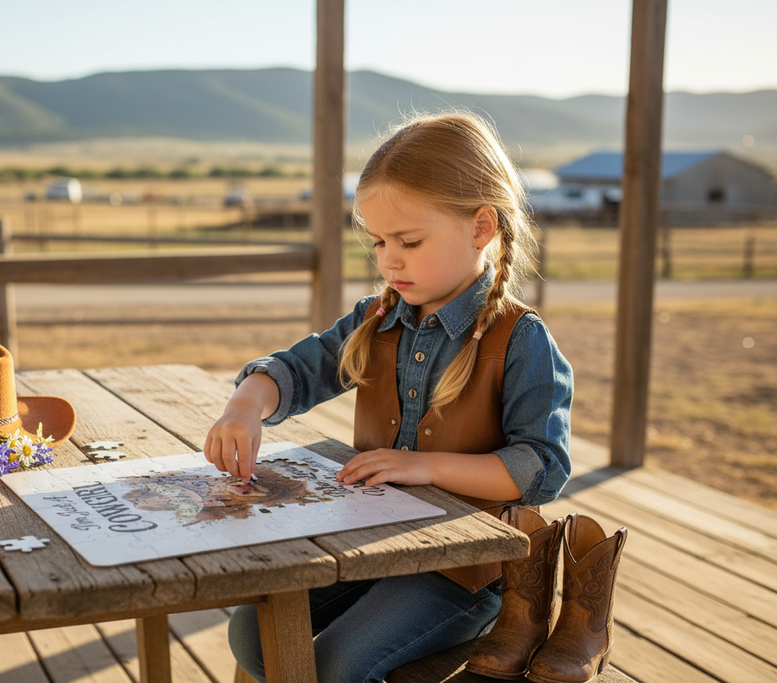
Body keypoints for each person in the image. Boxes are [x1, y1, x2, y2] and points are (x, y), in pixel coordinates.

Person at [202, 111, 574, 683]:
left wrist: (423, 466)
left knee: (338, 666)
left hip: (463, 570)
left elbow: (541, 468)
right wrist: (246, 403)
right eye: (378, 241)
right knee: (252, 635)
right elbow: (300, 369)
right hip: (369, 545)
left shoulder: (519, 339)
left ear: (481, 228)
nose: (388, 260)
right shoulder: (377, 319)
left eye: (409, 240)